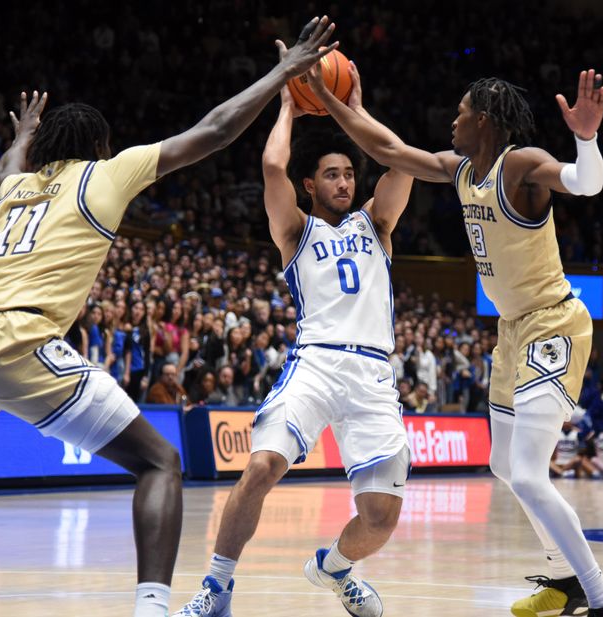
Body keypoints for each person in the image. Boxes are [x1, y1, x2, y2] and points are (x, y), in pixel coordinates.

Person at [0, 18, 338, 616]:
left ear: (44, 151)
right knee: (159, 462)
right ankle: (152, 609)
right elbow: (212, 130)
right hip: (17, 338)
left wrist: (24, 134)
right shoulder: (107, 173)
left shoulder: (16, 187)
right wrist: (280, 74)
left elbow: (4, 166)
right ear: (100, 147)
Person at [310, 64, 603, 616]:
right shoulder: (459, 170)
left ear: (482, 119)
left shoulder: (521, 165)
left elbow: (586, 182)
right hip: (511, 333)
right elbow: (388, 149)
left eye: (459, 112)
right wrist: (341, 104)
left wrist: (586, 138)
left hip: (552, 323)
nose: (451, 121)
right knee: (504, 466)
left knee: (528, 472)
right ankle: (565, 578)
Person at [174, 48, 413, 617]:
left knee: (381, 517)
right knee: (259, 467)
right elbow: (272, 169)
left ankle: (332, 567)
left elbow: (402, 162)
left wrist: (352, 107)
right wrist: (287, 100)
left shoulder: (376, 224)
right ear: (311, 185)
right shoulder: (296, 231)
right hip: (318, 361)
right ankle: (216, 588)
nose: (345, 182)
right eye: (332, 174)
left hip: (375, 373)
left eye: (350, 173)